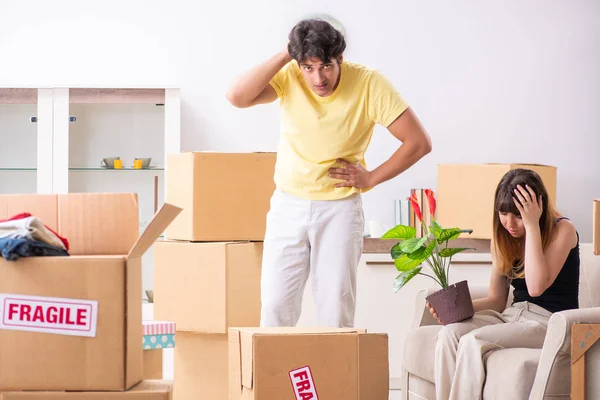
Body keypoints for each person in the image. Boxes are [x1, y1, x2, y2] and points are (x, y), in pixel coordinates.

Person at [226, 18, 432, 328]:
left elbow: (418, 142)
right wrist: (288, 53)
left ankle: (334, 376)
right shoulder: (291, 74)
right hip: (288, 205)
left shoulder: (369, 84)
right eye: (308, 67)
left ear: (340, 59)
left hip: (339, 210)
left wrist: (372, 177)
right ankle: (277, 377)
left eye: (325, 66)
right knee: (274, 308)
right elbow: (237, 97)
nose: (318, 77)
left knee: (335, 309)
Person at [427, 168, 580, 400]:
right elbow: (497, 300)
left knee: (472, 341)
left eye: (518, 215)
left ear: (537, 207)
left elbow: (536, 287)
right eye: (503, 213)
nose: (510, 223)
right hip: (511, 316)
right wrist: (456, 310)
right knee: (450, 334)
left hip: (549, 323)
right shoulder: (504, 237)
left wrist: (532, 227)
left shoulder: (563, 230)